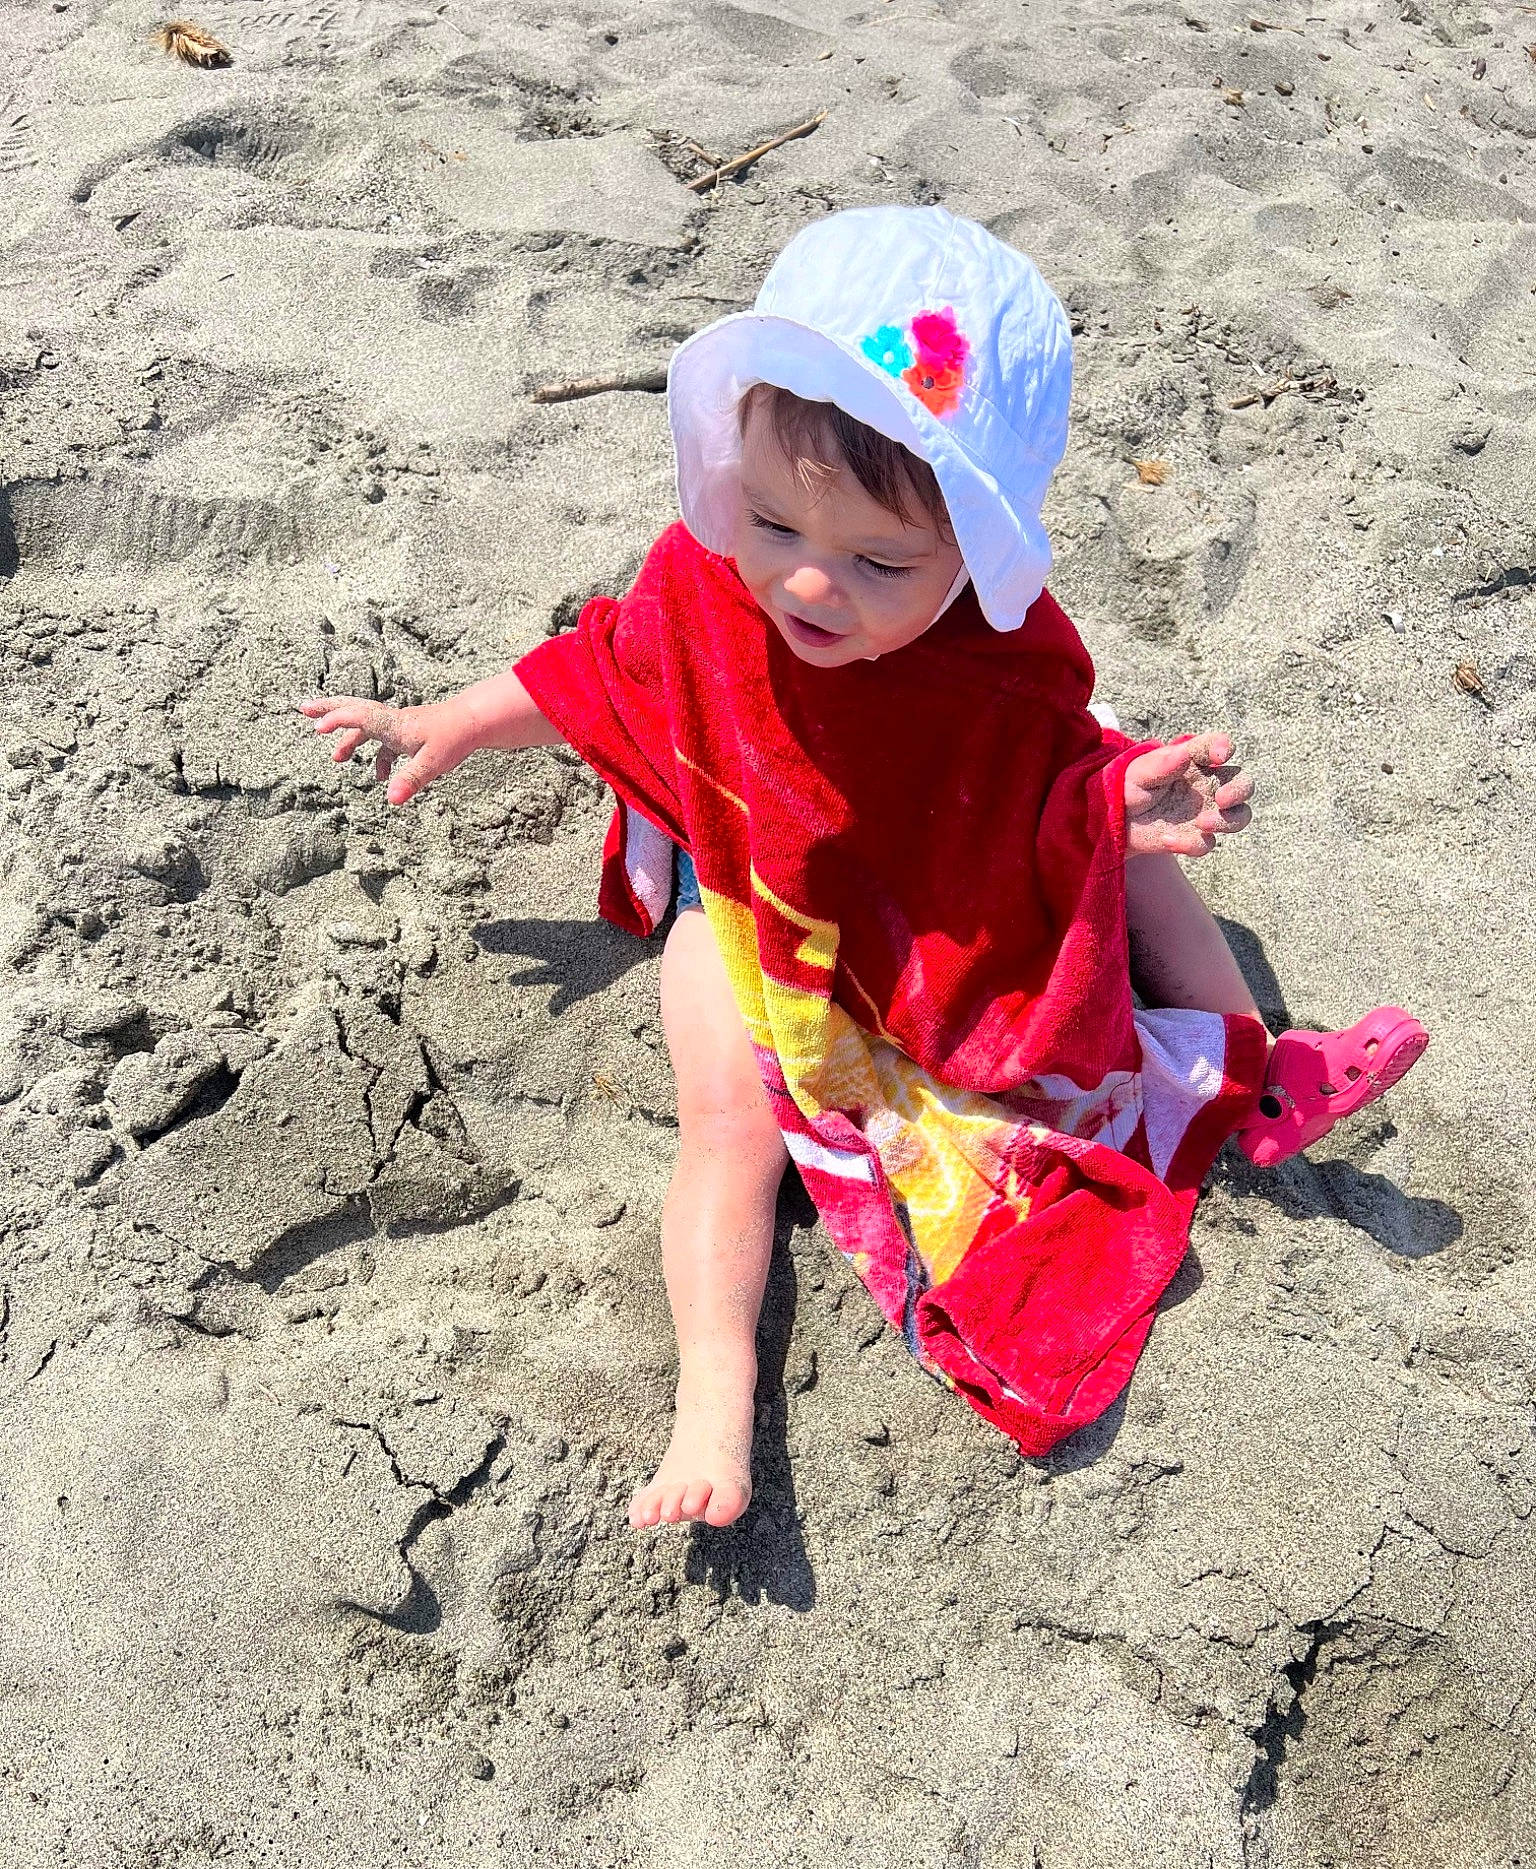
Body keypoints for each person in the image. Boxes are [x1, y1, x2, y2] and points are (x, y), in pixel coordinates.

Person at [301, 206, 1426, 1534]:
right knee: (727, 1122)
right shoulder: (719, 578)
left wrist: (1112, 807)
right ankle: (714, 1398)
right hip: (758, 895)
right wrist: (446, 725)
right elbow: (602, 667)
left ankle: (1253, 1066)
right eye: (776, 523)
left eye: (883, 561)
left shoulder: (995, 662)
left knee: (1132, 858)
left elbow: (1036, 777)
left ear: (977, 547)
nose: (812, 584)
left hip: (930, 882)